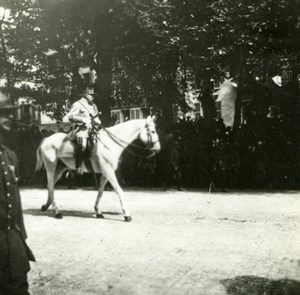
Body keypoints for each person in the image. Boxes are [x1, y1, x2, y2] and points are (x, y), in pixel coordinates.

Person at [0, 89, 35, 295]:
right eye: (3, 113)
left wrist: (20, 236)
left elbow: (15, 202)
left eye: (10, 112)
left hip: (13, 244)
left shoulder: (9, 155)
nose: (10, 117)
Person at [64, 87, 101, 174]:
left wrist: (98, 121)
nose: (92, 97)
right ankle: (78, 166)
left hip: (93, 130)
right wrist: (83, 120)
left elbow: (96, 116)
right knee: (83, 145)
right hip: (81, 129)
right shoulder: (77, 104)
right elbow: (71, 117)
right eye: (91, 95)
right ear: (85, 95)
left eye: (93, 95)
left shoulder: (93, 105)